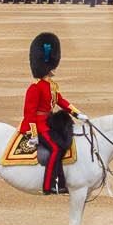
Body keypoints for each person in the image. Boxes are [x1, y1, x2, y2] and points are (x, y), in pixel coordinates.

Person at [17, 32, 75, 195]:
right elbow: (29, 113)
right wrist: (33, 133)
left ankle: (62, 182)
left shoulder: (52, 86)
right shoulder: (35, 88)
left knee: (64, 145)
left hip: (49, 123)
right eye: (51, 66)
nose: (54, 69)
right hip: (39, 126)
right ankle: (49, 184)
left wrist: (78, 113)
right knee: (56, 149)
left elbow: (61, 101)